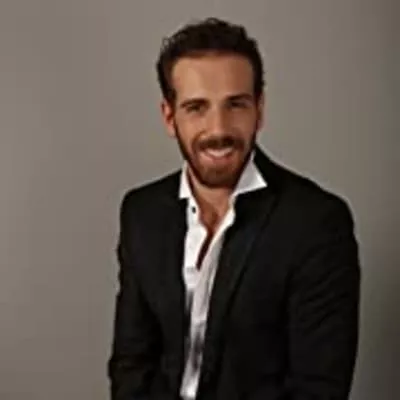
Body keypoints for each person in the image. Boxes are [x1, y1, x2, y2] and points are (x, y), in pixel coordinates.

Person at [108, 17, 360, 400]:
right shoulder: (141, 213)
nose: (218, 129)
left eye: (236, 105)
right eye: (196, 107)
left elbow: (318, 389)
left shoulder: (317, 223)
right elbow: (131, 365)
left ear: (259, 109)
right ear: (169, 117)